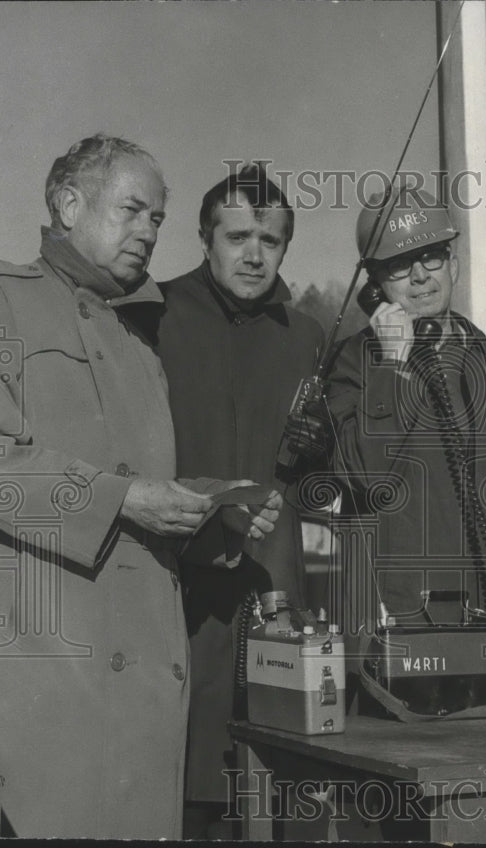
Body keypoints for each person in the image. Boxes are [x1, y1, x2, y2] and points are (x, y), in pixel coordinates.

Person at [0, 135, 279, 839]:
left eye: (157, 219)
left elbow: (149, 512)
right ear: (69, 204)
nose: (148, 232)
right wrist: (121, 498)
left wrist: (217, 522)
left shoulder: (142, 343)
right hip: (38, 696)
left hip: (147, 715)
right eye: (132, 210)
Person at [155, 162, 326, 839]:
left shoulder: (307, 334)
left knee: (278, 778)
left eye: (272, 240)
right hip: (182, 585)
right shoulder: (155, 315)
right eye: (238, 236)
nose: (255, 254)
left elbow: (322, 483)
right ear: (205, 237)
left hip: (274, 590)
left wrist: (320, 446)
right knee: (193, 782)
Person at [325, 186, 486, 634]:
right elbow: (362, 474)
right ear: (374, 286)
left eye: (431, 256)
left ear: (454, 263)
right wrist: (393, 368)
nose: (420, 277)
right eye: (398, 266)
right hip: (394, 614)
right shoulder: (351, 365)